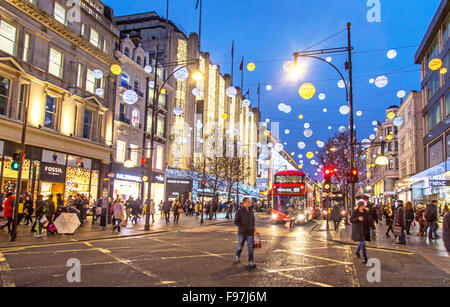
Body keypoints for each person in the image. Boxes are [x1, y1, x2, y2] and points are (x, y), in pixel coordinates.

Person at [234, 197, 256, 268]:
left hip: (250, 232)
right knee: (240, 245)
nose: (249, 203)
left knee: (250, 247)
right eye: (248, 201)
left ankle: (250, 261)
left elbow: (253, 220)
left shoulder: (251, 211)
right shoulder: (240, 211)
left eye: (249, 202)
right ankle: (237, 255)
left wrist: (253, 227)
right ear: (244, 203)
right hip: (242, 232)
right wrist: (242, 227)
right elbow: (236, 221)